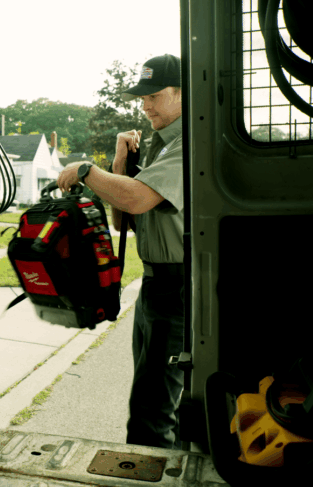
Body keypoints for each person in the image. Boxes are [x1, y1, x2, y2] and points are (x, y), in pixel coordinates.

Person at [56, 54, 185, 450]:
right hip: (156, 285)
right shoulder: (158, 147)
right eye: (141, 96)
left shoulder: (190, 141)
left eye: (155, 95)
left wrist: (86, 171)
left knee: (151, 411)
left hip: (180, 287)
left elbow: (137, 200)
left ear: (183, 94)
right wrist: (118, 162)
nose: (145, 105)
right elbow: (122, 221)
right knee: (153, 397)